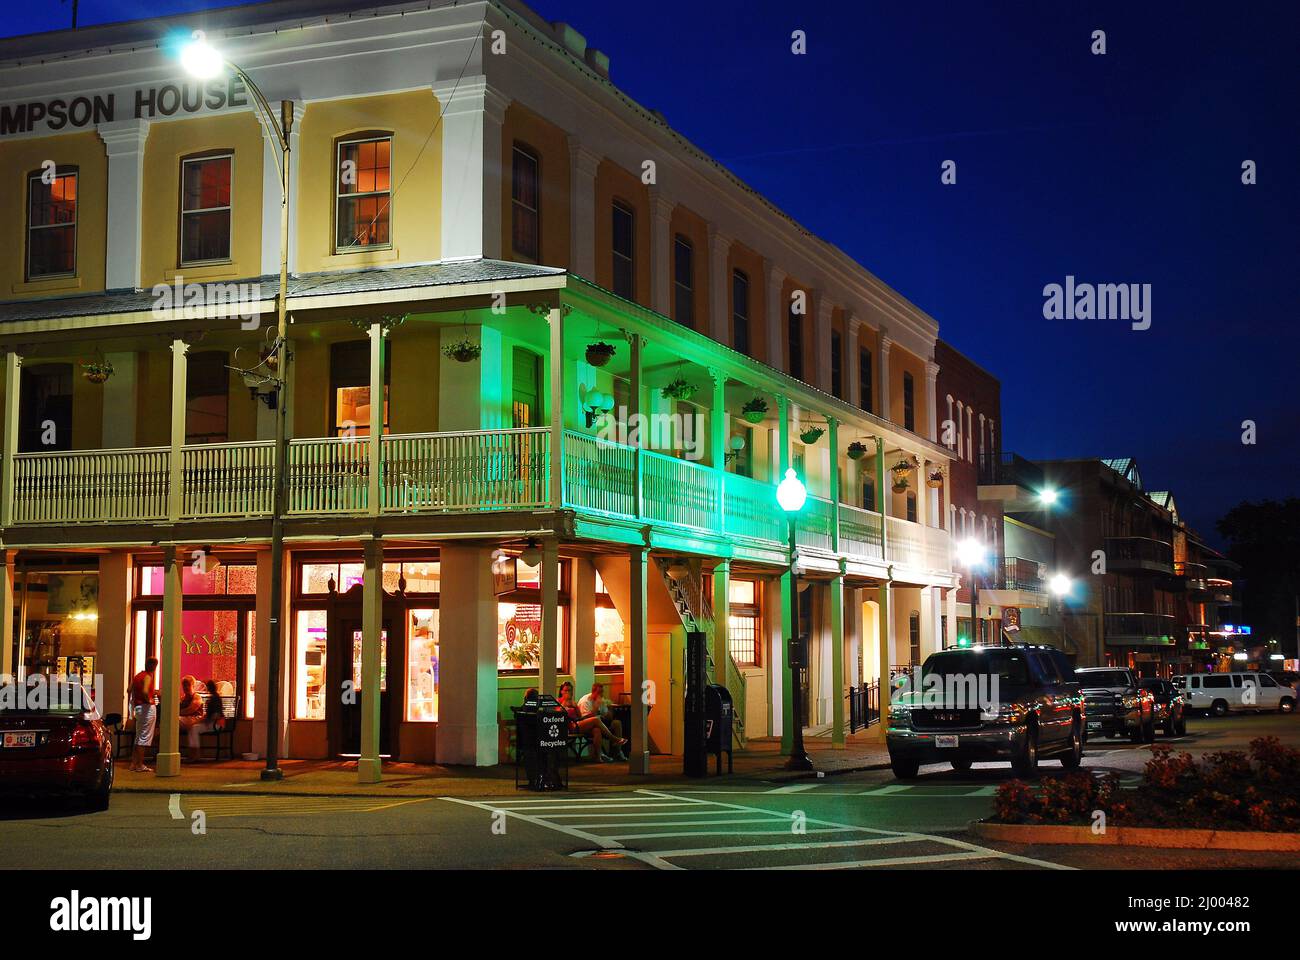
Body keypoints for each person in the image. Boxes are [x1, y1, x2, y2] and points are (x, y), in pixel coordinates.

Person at [557, 680, 626, 762]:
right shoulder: (558, 702)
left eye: (570, 690)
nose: (568, 692)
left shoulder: (573, 702)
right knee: (596, 719)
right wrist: (564, 705)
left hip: (578, 723)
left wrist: (575, 707)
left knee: (598, 729)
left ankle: (599, 756)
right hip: (569, 727)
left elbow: (579, 717)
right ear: (561, 691)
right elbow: (557, 714)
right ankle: (614, 739)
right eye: (566, 690)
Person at [578, 681, 625, 761]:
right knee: (597, 729)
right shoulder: (585, 701)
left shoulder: (600, 700)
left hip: (602, 724)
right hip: (588, 726)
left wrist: (609, 708)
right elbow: (586, 719)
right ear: (593, 692)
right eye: (599, 692)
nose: (601, 694)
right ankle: (612, 741)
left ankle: (618, 752)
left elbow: (608, 717)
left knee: (616, 723)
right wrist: (596, 706)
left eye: (602, 692)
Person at [129, 658, 159, 773]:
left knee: (138, 736)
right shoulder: (147, 676)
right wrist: (149, 699)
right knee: (144, 737)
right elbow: (145, 691)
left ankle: (133, 763)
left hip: (138, 708)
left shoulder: (137, 676)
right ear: (153, 667)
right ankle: (140, 764)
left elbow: (129, 689)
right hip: (146, 708)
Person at [186, 679, 225, 761]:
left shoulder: (214, 699)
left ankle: (195, 754)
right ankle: (194, 753)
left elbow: (214, 715)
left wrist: (203, 721)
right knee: (193, 728)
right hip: (218, 723)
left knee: (194, 729)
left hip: (216, 724)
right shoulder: (216, 698)